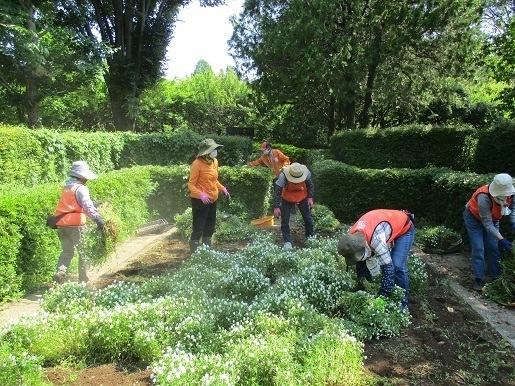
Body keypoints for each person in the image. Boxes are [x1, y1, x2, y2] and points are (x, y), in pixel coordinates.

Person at [338, 209, 416, 309]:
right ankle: (367, 289)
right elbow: (360, 262)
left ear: (364, 246)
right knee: (361, 261)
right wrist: (364, 289)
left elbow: (388, 270)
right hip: (382, 226)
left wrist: (382, 297)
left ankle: (402, 304)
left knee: (397, 265)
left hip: (404, 227)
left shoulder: (376, 240)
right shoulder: (352, 238)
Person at [52, 161, 105, 284]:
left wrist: (94, 205)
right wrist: (98, 219)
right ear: (81, 176)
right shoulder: (81, 189)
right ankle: (83, 280)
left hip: (62, 225)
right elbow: (86, 206)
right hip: (76, 226)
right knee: (84, 251)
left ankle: (60, 273)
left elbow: (73, 206)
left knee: (67, 251)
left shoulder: (66, 187)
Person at [463, 173, 515, 291]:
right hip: (474, 218)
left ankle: (495, 276)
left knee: (493, 247)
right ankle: (478, 279)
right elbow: (487, 224)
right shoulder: (484, 197)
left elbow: (513, 208)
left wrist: (513, 222)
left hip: (494, 218)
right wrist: (502, 239)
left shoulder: (511, 194)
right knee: (478, 248)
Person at [187, 138, 230, 253]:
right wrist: (201, 194)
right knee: (199, 228)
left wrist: (222, 188)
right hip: (200, 200)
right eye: (213, 149)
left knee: (210, 227)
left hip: (212, 199)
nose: (215, 151)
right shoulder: (196, 164)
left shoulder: (214, 162)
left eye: (216, 149)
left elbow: (213, 180)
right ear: (206, 152)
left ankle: (206, 253)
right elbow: (191, 185)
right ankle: (194, 254)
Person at [273, 162, 315, 248]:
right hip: (287, 197)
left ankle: (311, 238)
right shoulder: (283, 176)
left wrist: (310, 197)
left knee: (307, 219)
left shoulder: (306, 174)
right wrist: (276, 207)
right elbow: (278, 191)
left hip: (302, 196)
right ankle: (287, 242)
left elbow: (310, 185)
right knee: (285, 221)